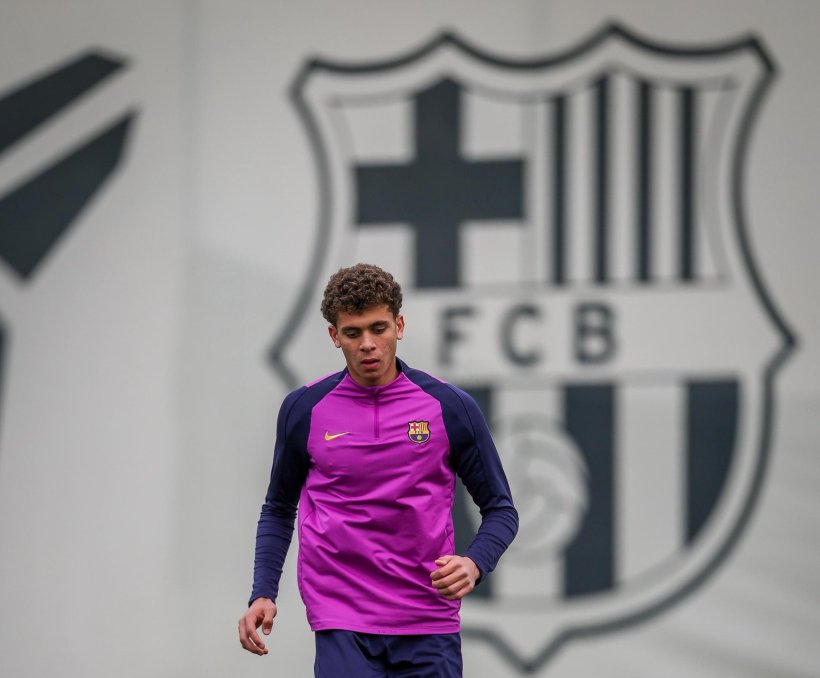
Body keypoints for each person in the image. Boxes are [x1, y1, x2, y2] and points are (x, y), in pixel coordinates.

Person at [238, 263, 518, 677]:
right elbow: (279, 508)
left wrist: (475, 563)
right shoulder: (305, 409)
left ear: (399, 326)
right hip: (342, 616)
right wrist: (263, 592)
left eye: (378, 328)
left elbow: (501, 510)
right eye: (353, 333)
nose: (368, 344)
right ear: (334, 336)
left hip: (428, 616)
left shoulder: (450, 407)